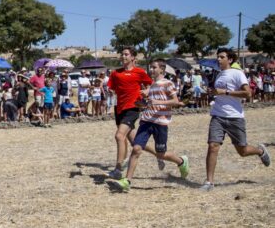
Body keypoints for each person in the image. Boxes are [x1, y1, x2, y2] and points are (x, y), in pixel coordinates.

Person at [106, 59, 190, 192]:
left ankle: (181, 161)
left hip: (160, 123)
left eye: (154, 68)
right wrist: (142, 105)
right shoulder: (151, 86)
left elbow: (175, 101)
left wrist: (155, 101)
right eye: (150, 68)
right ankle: (127, 181)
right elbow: (150, 104)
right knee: (136, 148)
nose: (151, 70)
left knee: (161, 154)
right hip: (146, 121)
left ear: (162, 69)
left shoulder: (167, 84)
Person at [201, 48, 270, 191]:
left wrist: (225, 92)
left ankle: (260, 151)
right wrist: (212, 92)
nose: (218, 59)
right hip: (218, 116)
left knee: (243, 151)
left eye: (222, 57)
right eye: (218, 57)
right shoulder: (219, 75)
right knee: (213, 146)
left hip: (235, 117)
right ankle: (209, 182)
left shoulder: (238, 73)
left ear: (230, 59)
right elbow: (220, 93)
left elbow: (248, 93)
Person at [106, 47, 155, 180]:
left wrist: (147, 91)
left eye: (126, 54)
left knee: (119, 136)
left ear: (133, 57)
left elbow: (152, 85)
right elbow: (112, 88)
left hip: (132, 108)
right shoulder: (116, 73)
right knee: (136, 142)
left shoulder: (139, 72)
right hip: (120, 109)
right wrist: (110, 91)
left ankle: (118, 169)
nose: (123, 56)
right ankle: (161, 156)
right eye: (122, 54)